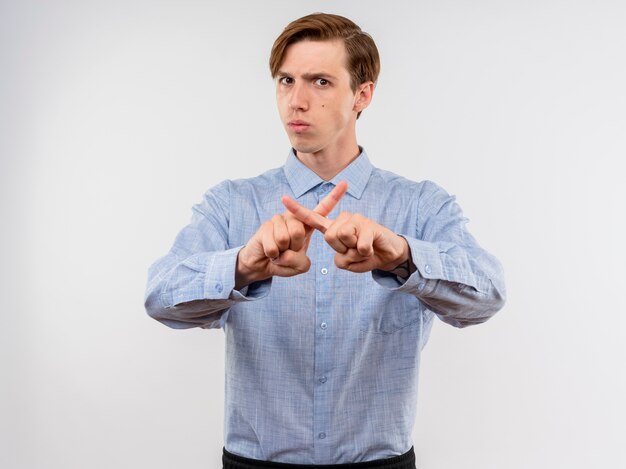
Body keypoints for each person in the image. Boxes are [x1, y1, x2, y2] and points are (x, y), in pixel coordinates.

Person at [144, 12, 506, 469]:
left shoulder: (420, 205)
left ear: (363, 94)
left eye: (319, 82)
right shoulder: (231, 203)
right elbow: (159, 297)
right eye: (285, 80)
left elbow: (488, 296)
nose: (296, 101)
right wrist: (243, 266)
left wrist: (403, 257)